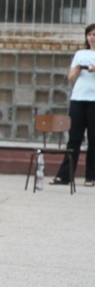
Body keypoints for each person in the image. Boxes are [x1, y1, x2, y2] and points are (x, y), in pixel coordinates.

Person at [51, 23, 95, 187]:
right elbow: (70, 78)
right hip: (78, 99)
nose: (92, 38)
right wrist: (77, 70)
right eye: (89, 34)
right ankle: (65, 175)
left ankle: (91, 176)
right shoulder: (79, 54)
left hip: (94, 101)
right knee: (74, 138)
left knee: (93, 139)